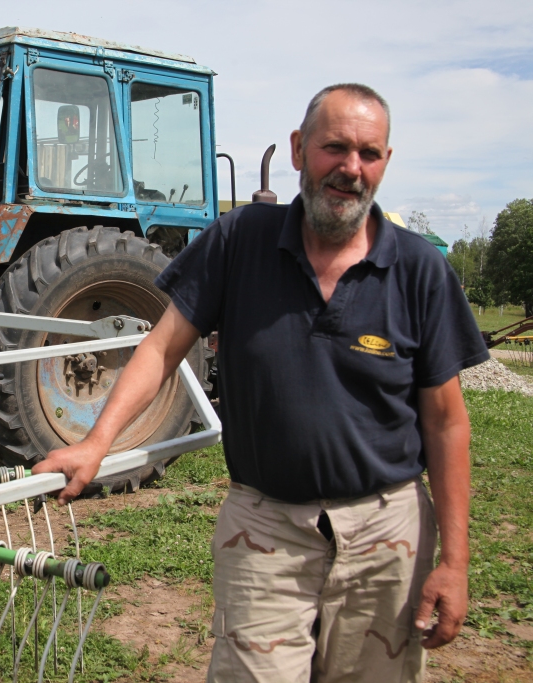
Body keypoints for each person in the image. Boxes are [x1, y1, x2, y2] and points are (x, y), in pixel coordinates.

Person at [32, 84, 489, 682]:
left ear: (385, 163)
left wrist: (454, 561)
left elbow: (447, 421)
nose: (351, 168)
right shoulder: (240, 240)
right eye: (335, 148)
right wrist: (95, 444)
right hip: (265, 528)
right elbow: (162, 347)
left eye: (369, 154)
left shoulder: (418, 270)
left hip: (386, 535)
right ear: (299, 150)